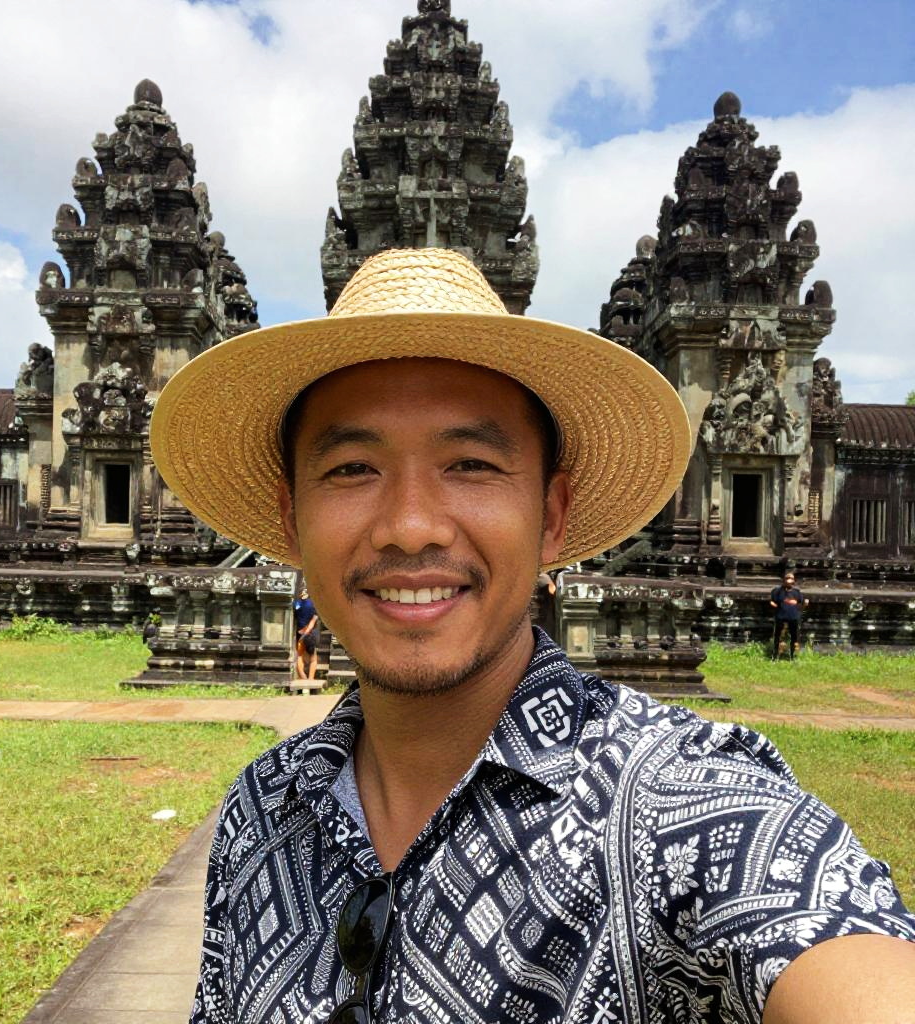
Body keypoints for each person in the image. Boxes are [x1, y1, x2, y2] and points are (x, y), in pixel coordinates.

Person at [152, 248, 915, 1024]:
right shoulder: (260, 811)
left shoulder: (679, 809)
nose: (410, 527)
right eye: (352, 468)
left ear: (551, 516)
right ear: (291, 520)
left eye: (471, 464)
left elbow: (828, 938)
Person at [770, 571, 808, 660]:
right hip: (780, 617)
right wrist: (776, 607)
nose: (789, 580)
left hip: (794, 618)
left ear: (794, 581)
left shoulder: (797, 592)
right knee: (778, 637)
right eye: (787, 578)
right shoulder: (777, 591)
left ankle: (792, 656)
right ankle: (775, 656)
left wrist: (805, 605)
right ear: (784, 580)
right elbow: (772, 601)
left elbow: (801, 605)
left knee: (794, 638)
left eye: (791, 578)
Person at [293, 585, 320, 682]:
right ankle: (310, 678)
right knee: (313, 657)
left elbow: (295, 615)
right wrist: (307, 631)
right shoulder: (314, 604)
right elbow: (313, 621)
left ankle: (303, 676)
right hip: (310, 633)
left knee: (300, 656)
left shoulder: (296, 603)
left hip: (300, 633)